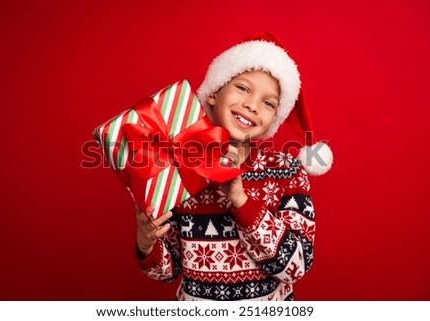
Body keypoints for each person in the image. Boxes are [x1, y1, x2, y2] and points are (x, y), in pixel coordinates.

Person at [134, 31, 333, 301]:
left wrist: (241, 199)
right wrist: (147, 243)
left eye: (268, 103)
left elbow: (295, 266)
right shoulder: (180, 165)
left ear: (274, 119)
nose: (252, 105)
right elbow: (167, 271)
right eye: (243, 88)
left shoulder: (288, 171)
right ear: (215, 92)